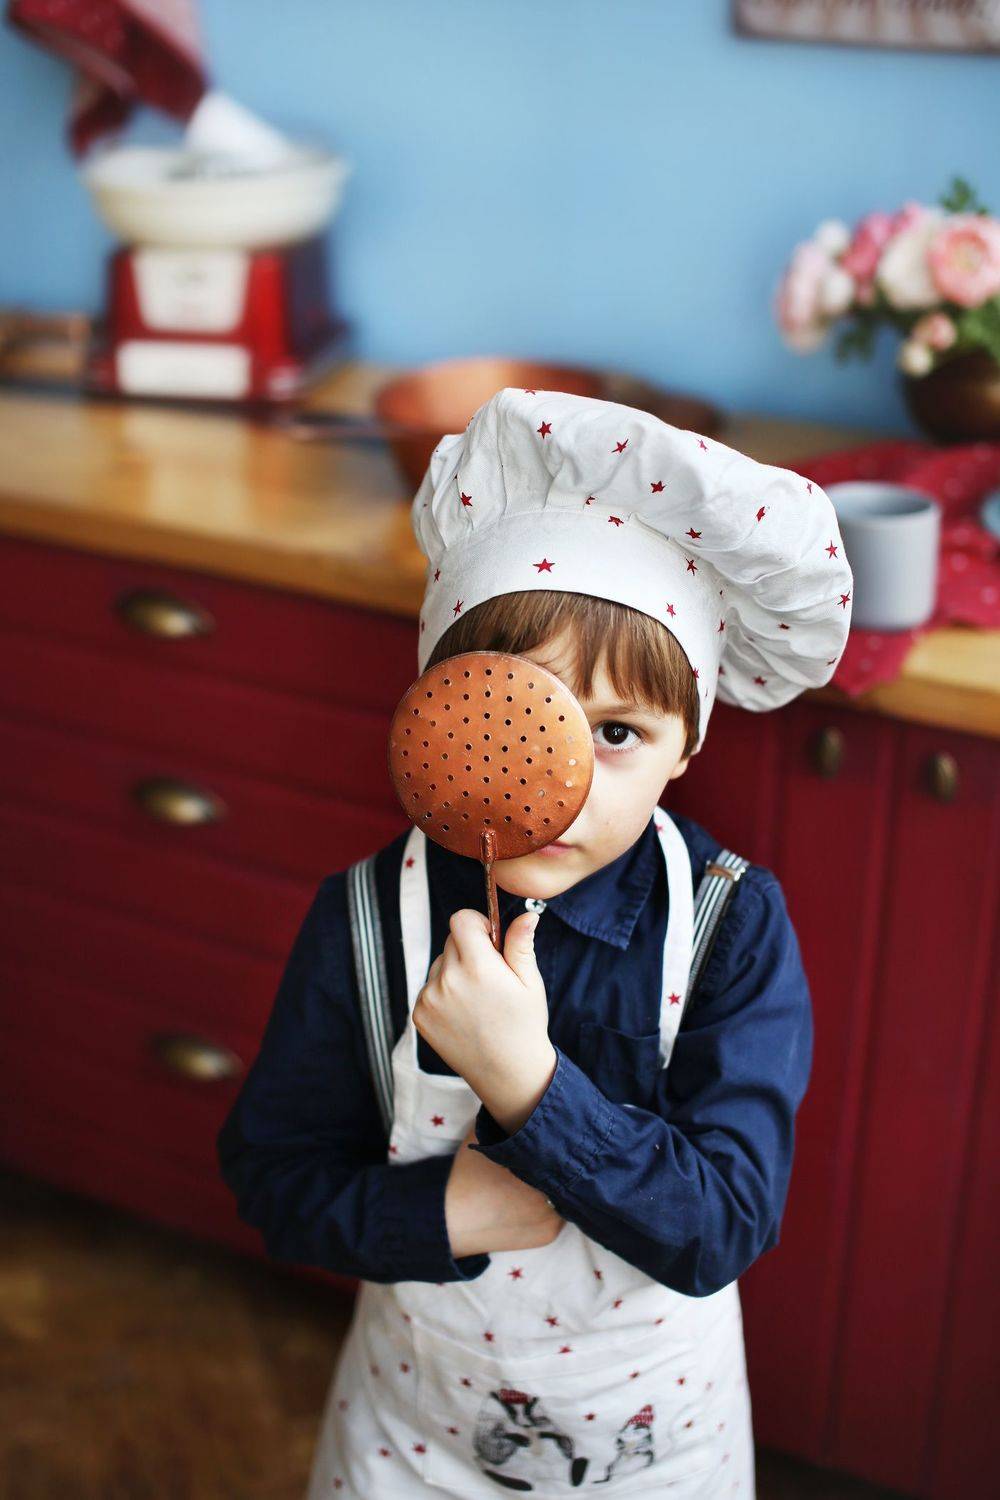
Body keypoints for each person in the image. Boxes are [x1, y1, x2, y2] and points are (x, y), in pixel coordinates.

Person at [216, 387, 853, 1498]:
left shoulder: (729, 925)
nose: (555, 784)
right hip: (414, 1437)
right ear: (435, 710)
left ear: (687, 747)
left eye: (617, 733)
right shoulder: (365, 918)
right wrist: (439, 1211)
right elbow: (274, 1180)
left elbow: (722, 1226)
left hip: (658, 1451)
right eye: (508, 721)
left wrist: (528, 1084)